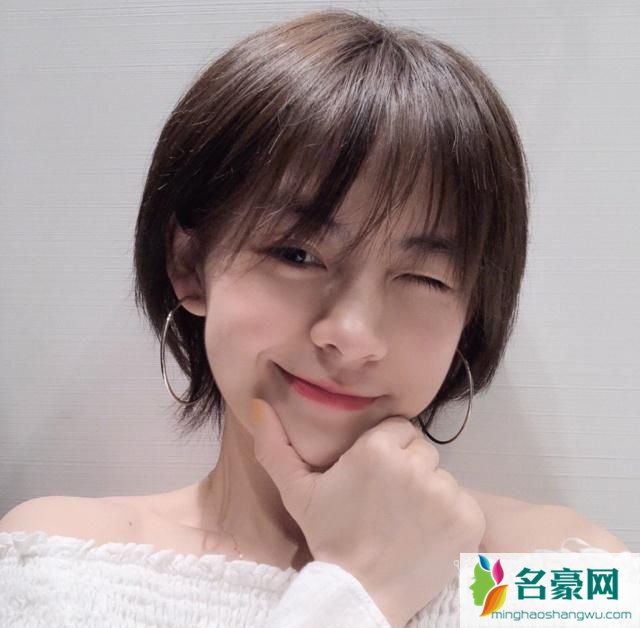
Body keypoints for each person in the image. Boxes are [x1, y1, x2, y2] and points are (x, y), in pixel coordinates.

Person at [0, 8, 629, 628]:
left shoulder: (560, 576)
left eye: (424, 277)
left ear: (472, 315)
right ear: (190, 264)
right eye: (296, 254)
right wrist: (359, 590)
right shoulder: (62, 565)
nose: (353, 336)